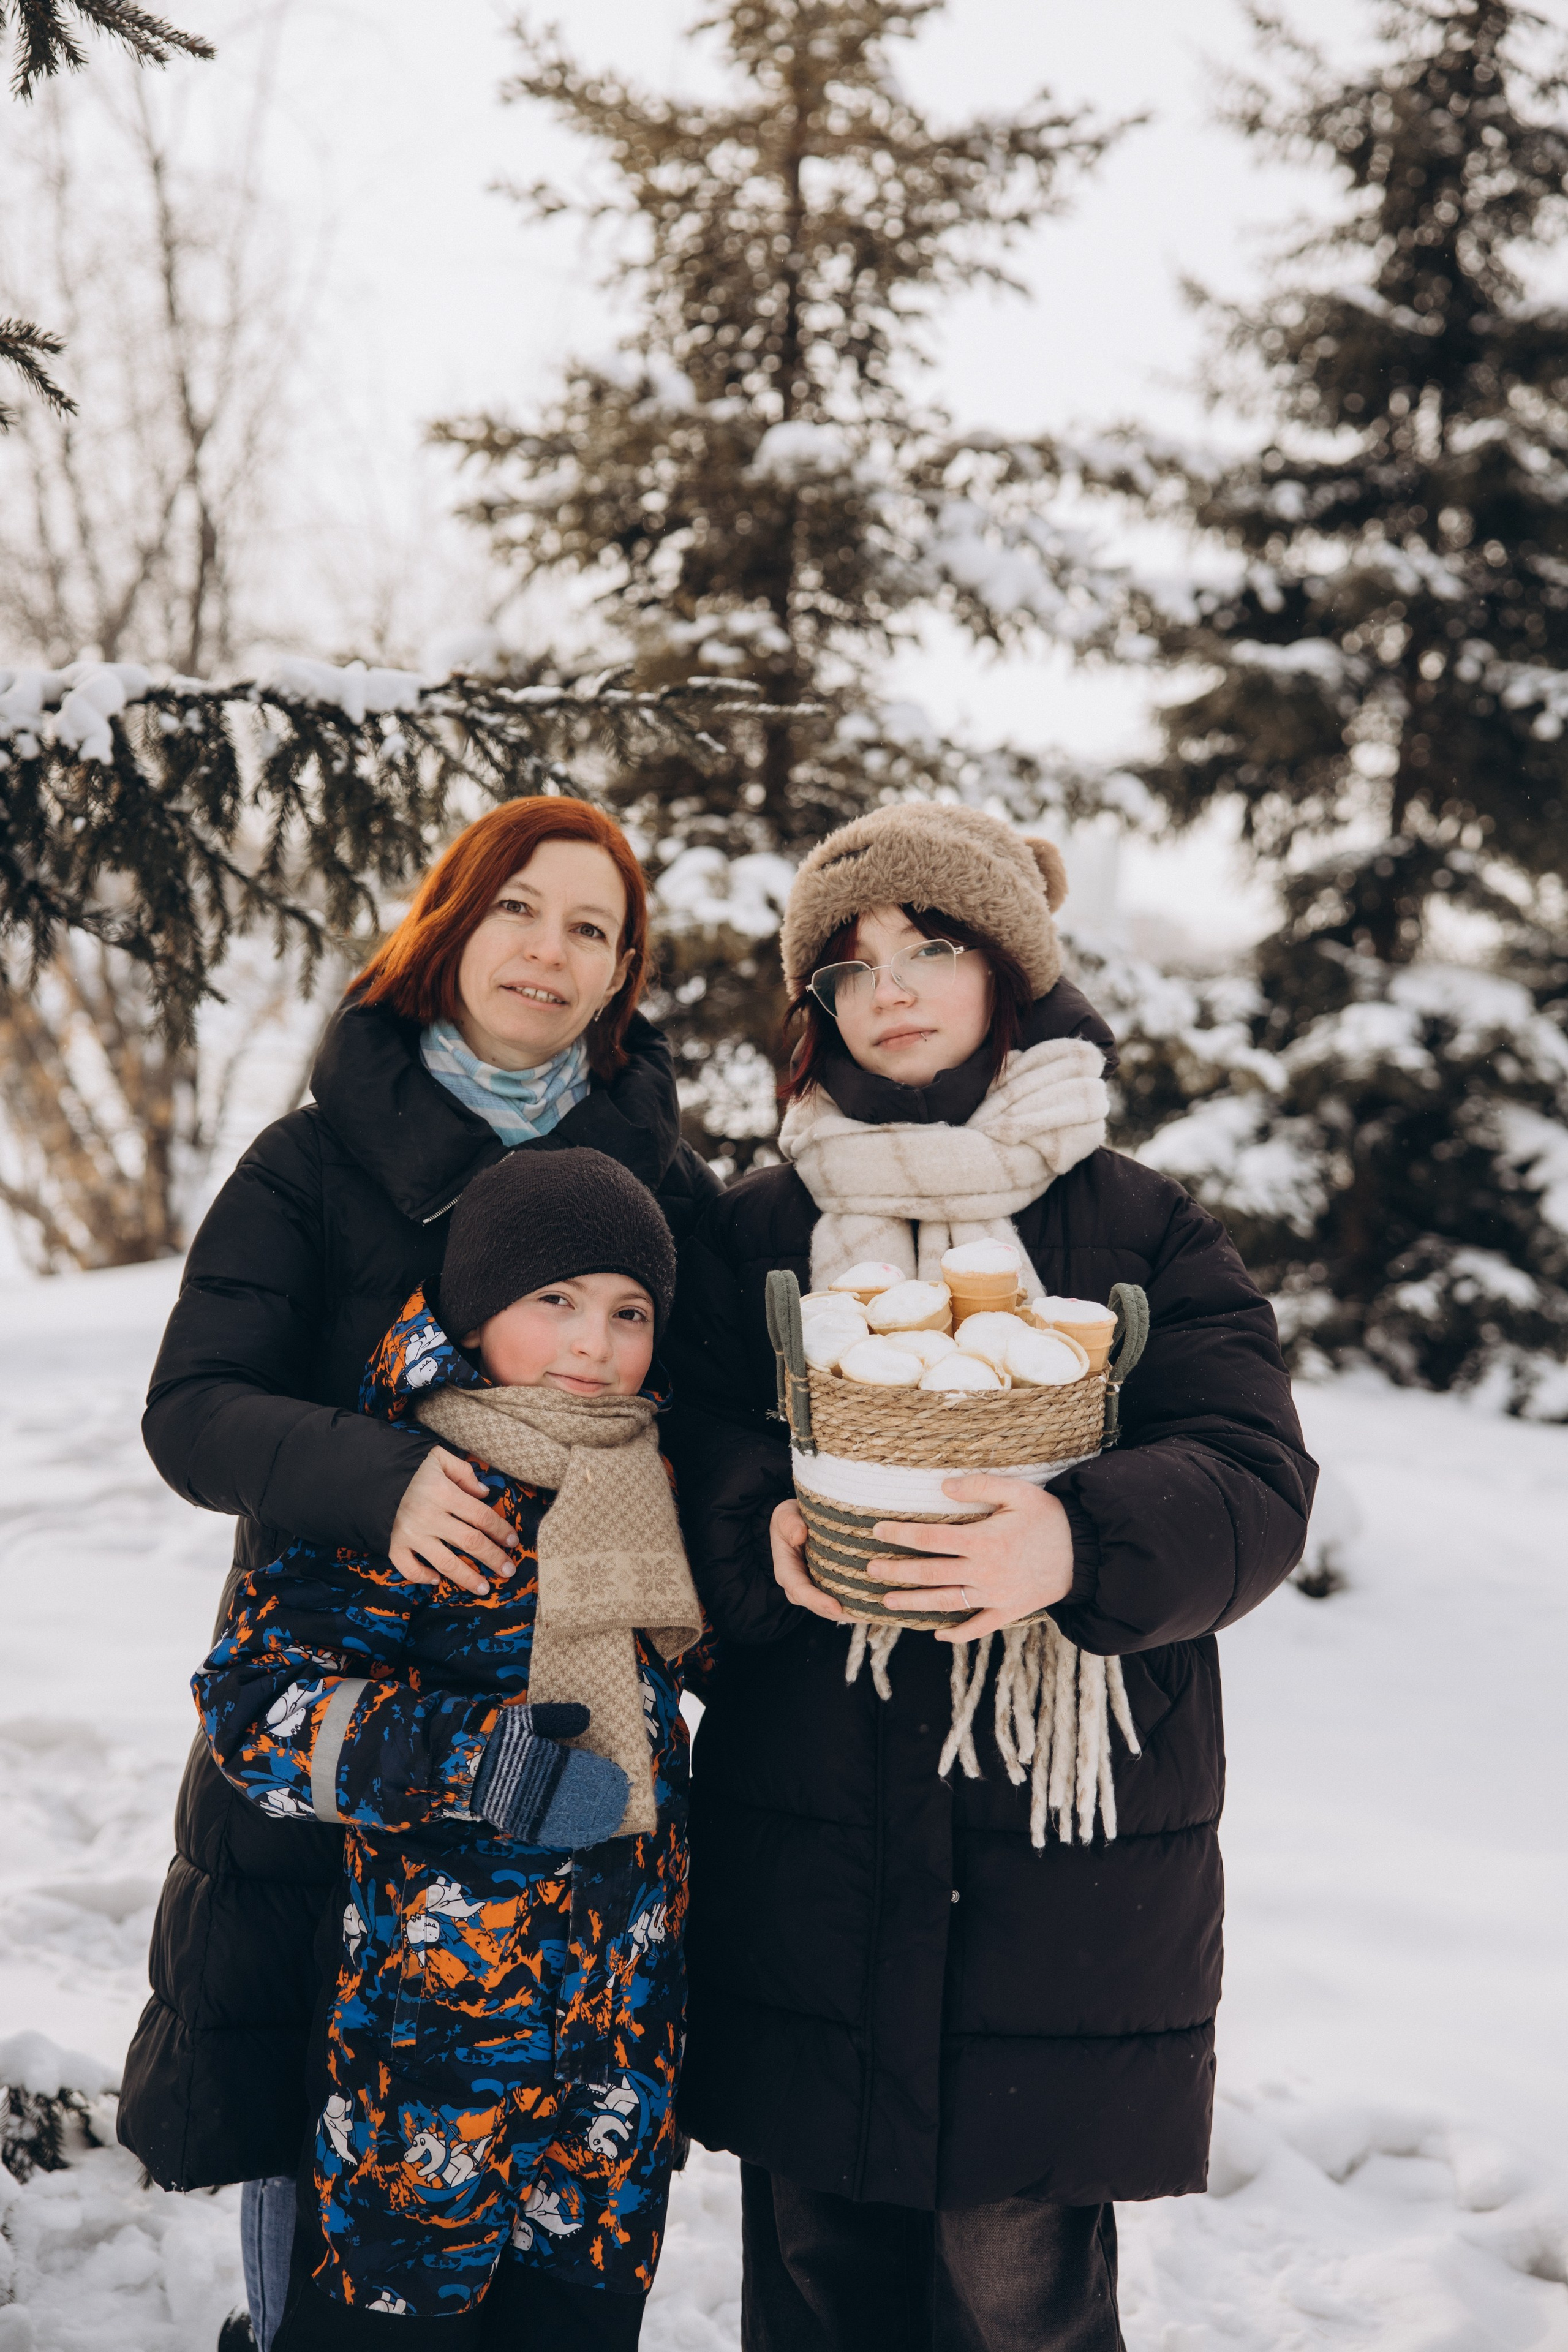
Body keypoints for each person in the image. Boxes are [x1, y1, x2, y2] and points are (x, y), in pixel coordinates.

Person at [661, 804, 1319, 2352]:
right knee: (817, 2277)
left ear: (1007, 967)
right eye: (846, 966)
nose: (887, 986)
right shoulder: (756, 1233)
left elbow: (1254, 1478)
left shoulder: (1137, 1224)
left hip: (1058, 1869)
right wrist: (750, 1532)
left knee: (1013, 2296)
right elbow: (672, 1449)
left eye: (930, 945)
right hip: (810, 1846)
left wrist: (1076, 1541)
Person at [117, 797, 720, 2351]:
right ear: (450, 920)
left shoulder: (665, 1180)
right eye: (518, 907)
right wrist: (377, 1478)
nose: (548, 950)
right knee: (327, 2154)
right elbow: (194, 1408)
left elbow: (720, 1426)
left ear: (622, 971)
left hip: (592, 1832)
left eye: (590, 928)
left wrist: (710, 1520)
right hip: (356, 1698)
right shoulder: (313, 1162)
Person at [194, 1146, 699, 2348]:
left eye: (629, 1312)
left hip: (611, 2077)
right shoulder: (413, 1484)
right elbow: (254, 1708)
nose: (595, 1344)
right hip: (426, 2081)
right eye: (555, 1299)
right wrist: (481, 1766)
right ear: (475, 1310)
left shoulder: (640, 1485)